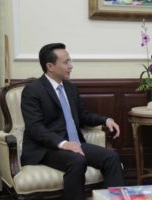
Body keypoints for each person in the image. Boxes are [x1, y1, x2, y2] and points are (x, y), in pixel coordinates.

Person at [21, 43, 124, 200]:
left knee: (112, 158)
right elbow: (35, 128)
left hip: (75, 144)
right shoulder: (33, 90)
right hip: (48, 148)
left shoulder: (70, 88)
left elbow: (82, 115)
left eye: (70, 61)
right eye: (66, 62)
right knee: (77, 160)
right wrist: (63, 144)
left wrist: (105, 120)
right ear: (50, 66)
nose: (71, 66)